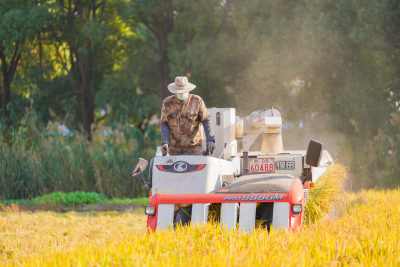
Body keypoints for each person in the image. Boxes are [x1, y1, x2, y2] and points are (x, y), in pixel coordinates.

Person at [160, 76, 215, 227]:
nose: (181, 94)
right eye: (179, 92)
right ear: (175, 91)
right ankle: (177, 214)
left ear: (188, 90)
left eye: (183, 91)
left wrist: (211, 139)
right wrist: (164, 142)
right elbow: (164, 124)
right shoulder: (167, 103)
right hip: (175, 151)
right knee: (176, 185)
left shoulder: (197, 101)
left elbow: (206, 121)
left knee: (193, 185)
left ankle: (190, 214)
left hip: (194, 150)